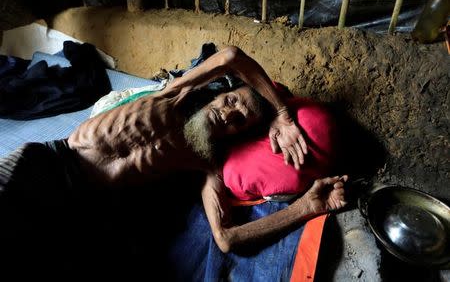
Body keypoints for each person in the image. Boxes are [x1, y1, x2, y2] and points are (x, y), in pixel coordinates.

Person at [66, 45, 348, 253]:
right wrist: (282, 111)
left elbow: (226, 239)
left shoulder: (203, 163)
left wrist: (306, 206)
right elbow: (231, 57)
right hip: (56, 160)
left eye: (238, 121)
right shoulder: (175, 93)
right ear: (218, 93)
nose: (228, 114)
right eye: (230, 101)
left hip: (88, 211)